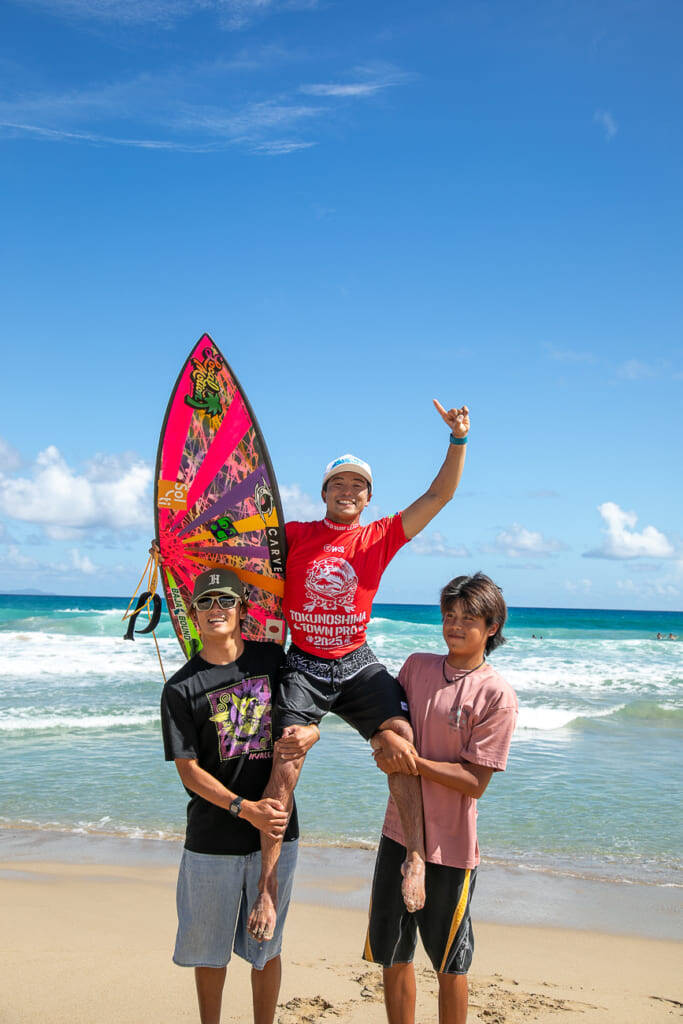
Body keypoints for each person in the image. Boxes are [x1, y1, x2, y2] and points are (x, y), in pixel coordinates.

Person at [247, 400, 470, 943]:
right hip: (302, 661)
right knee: (284, 764)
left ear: (369, 498)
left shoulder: (379, 537)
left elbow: (439, 496)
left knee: (400, 743)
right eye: (338, 485)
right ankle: (267, 890)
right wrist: (175, 547)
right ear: (324, 493)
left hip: (354, 660)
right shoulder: (294, 534)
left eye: (357, 487)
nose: (348, 493)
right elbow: (235, 546)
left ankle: (415, 857)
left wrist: (458, 440)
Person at [160, 568, 320, 1024]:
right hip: (213, 840)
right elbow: (189, 772)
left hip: (274, 835)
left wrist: (313, 732)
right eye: (206, 603)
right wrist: (242, 808)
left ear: (242, 610)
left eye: (225, 601)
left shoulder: (273, 660)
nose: (216, 610)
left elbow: (308, 710)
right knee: (210, 955)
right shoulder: (180, 688)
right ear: (192, 614)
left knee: (266, 950)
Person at [365, 572, 518, 1024]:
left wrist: (410, 759)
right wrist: (384, 744)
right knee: (393, 954)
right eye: (449, 615)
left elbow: (474, 782)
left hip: (451, 847)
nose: (455, 626)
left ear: (491, 627)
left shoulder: (497, 695)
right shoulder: (416, 667)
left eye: (469, 619)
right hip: (399, 832)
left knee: (451, 961)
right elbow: (385, 727)